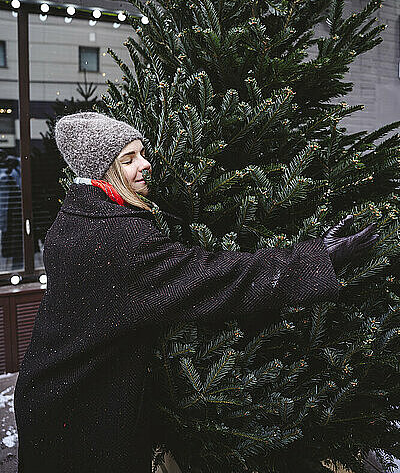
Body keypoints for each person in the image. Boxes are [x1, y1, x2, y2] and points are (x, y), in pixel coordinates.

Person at [13, 112, 378, 473]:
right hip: (80, 421)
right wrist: (318, 258)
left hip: (50, 397)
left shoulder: (72, 218)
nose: (145, 164)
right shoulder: (119, 238)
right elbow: (217, 277)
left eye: (141, 152)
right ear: (102, 171)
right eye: (128, 159)